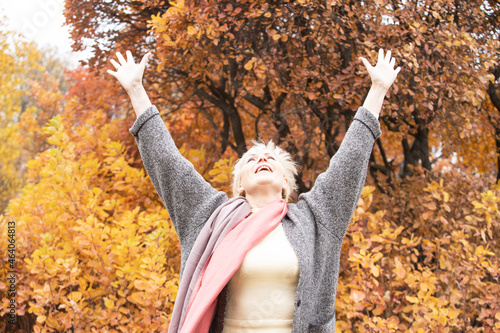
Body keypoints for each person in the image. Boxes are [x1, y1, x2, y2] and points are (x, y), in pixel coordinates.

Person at [108, 48, 400, 333]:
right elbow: (168, 164)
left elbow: (348, 164)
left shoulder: (315, 220)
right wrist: (136, 90)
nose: (261, 159)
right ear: (239, 186)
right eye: (251, 159)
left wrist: (377, 90)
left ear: (286, 183)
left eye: (271, 159)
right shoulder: (209, 217)